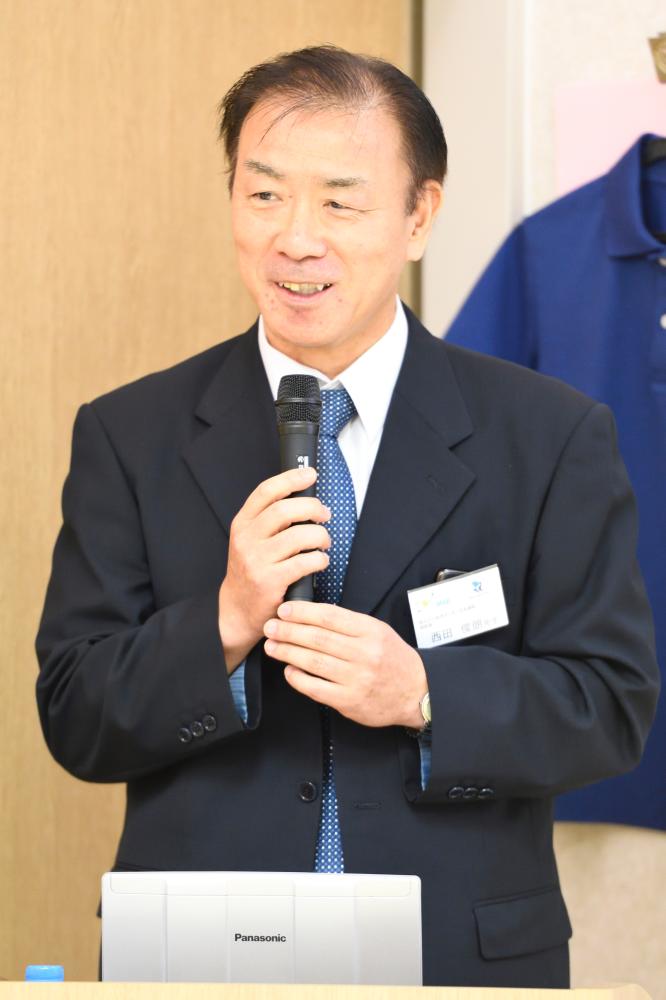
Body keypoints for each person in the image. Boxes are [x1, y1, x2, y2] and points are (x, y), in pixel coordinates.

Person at [35, 46, 659, 988]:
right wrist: (224, 624)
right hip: (202, 956)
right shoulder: (131, 433)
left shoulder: (550, 435)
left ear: (420, 216)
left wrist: (423, 694)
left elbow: (608, 708)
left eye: (340, 202)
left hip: (456, 953)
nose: (296, 238)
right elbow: (76, 716)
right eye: (264, 195)